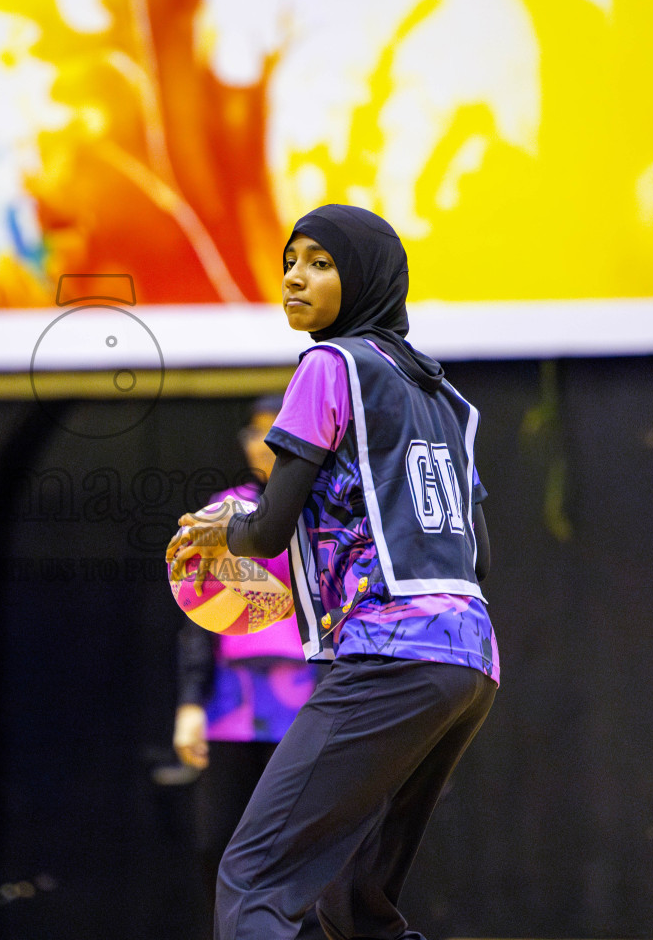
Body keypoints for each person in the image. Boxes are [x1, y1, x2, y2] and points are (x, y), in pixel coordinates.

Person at [167, 205, 498, 940]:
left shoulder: (330, 364)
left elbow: (268, 528)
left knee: (253, 880)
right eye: (291, 259)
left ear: (368, 278)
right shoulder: (448, 400)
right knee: (356, 905)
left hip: (390, 655)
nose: (294, 275)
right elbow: (479, 555)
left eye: (320, 262)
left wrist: (227, 529)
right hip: (470, 659)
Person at [172, 396, 326, 940]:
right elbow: (198, 617)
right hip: (234, 705)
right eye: (254, 432)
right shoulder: (228, 510)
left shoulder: (329, 509)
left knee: (303, 842)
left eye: (274, 431)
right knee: (221, 838)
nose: (262, 444)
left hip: (310, 700)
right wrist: (191, 703)